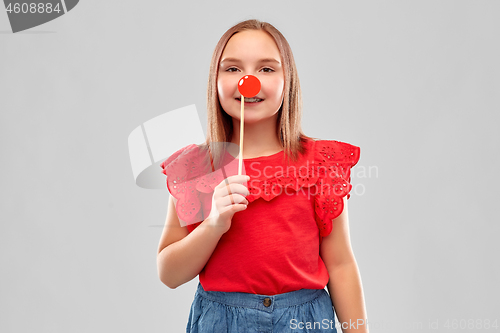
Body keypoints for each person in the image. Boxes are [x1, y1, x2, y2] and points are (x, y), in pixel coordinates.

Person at [157, 19, 369, 333]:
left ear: (288, 81)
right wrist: (213, 225)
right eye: (232, 69)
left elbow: (340, 264)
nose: (248, 81)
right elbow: (169, 273)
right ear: (215, 80)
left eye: (266, 69)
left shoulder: (320, 164)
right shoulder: (195, 168)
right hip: (221, 322)